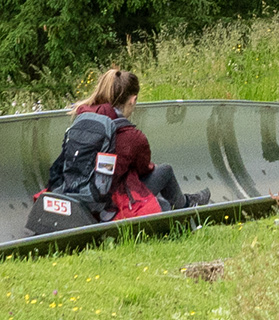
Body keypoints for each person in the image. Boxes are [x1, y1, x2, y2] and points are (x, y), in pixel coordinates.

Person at [69, 66, 205, 216]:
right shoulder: (132, 137)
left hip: (78, 192)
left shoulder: (83, 116)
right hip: (109, 203)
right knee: (165, 173)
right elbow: (144, 169)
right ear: (133, 100)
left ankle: (186, 202)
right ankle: (187, 205)